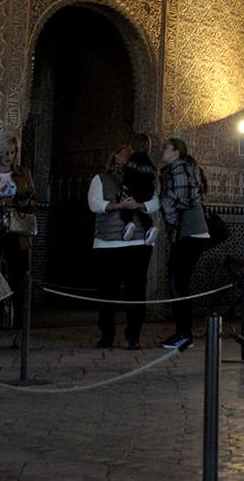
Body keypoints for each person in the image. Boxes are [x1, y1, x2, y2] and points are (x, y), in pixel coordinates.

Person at [89, 144, 160, 350]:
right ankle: (107, 334)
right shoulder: (101, 179)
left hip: (138, 243)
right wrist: (119, 206)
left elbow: (154, 202)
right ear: (115, 156)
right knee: (107, 290)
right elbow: (94, 204)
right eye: (124, 153)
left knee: (136, 291)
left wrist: (137, 206)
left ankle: (134, 335)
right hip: (107, 243)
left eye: (132, 155)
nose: (129, 157)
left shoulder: (143, 180)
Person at [0, 131, 36, 345]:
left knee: (19, 281)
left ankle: (20, 331)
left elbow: (35, 200)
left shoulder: (24, 174)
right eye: (5, 153)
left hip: (17, 233)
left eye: (12, 153)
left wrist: (22, 203)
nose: (9, 157)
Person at [159, 136, 209, 349]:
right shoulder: (186, 169)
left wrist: (169, 217)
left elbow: (177, 199)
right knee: (179, 283)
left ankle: (184, 334)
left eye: (166, 148)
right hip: (190, 232)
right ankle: (183, 332)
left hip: (189, 232)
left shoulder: (179, 170)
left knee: (178, 284)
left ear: (176, 152)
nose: (163, 151)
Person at [119, 132, 157, 245]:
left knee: (126, 205)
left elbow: (129, 174)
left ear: (133, 145)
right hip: (147, 192)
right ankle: (149, 228)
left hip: (135, 189)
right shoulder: (149, 161)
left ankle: (128, 224)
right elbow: (152, 176)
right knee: (140, 210)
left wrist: (124, 187)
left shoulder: (134, 158)